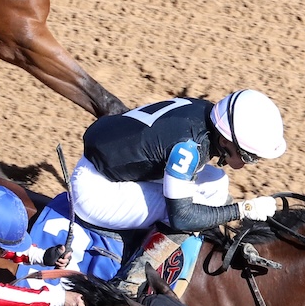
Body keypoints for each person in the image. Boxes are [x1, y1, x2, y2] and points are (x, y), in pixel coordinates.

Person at [61, 90, 287, 277]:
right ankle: (134, 278)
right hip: (95, 192)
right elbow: (182, 217)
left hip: (108, 166)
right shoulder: (188, 148)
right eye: (249, 157)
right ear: (226, 141)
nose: (251, 163)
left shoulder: (205, 112)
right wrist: (243, 209)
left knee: (217, 183)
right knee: (185, 210)